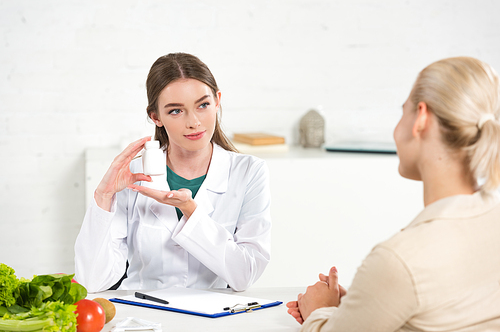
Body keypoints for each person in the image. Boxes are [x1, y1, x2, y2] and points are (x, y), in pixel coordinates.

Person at [287, 57, 500, 331]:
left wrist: (320, 310)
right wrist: (365, 304)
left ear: (421, 118)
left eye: (404, 111)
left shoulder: (399, 260)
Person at [74, 53, 271, 293]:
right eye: (176, 111)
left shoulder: (249, 172)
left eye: (203, 105)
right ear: (155, 117)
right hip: (143, 316)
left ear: (217, 101)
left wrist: (190, 211)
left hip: (212, 317)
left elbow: (244, 275)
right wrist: (104, 196)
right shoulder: (133, 175)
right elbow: (92, 281)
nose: (194, 122)